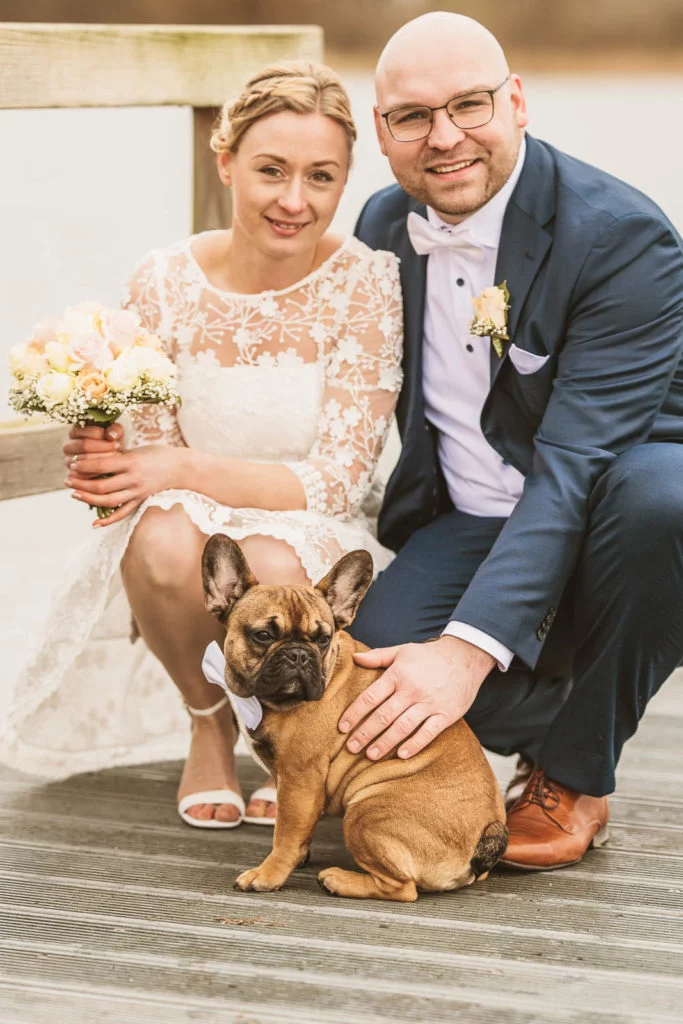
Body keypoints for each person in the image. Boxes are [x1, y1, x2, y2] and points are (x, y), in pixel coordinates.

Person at [0, 62, 403, 830]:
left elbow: (339, 480)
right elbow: (149, 457)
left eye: (321, 177)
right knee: (155, 537)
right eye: (270, 171)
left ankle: (279, 732)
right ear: (225, 163)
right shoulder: (162, 280)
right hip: (193, 519)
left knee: (278, 570)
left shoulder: (366, 282)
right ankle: (209, 720)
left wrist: (179, 466)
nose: (295, 200)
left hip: (313, 518)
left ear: (345, 179)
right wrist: (100, 441)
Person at [341, 12, 683, 869]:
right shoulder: (382, 227)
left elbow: (573, 466)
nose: (445, 137)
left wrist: (463, 653)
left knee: (663, 503)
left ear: (517, 100)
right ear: (382, 131)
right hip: (467, 515)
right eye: (413, 116)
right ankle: (567, 710)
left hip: (613, 499)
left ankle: (572, 773)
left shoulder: (622, 238)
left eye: (469, 105)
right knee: (383, 674)